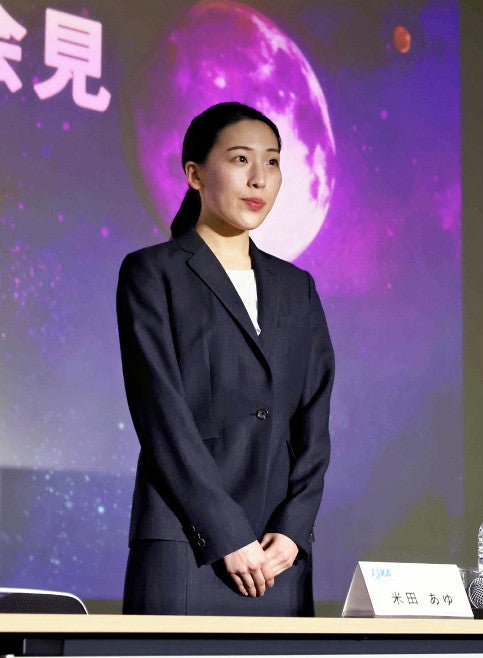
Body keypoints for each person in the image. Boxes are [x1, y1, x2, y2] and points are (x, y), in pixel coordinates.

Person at [116, 102, 335, 615]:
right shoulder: (152, 273)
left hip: (278, 557)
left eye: (273, 161)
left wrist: (294, 530)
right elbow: (162, 416)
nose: (260, 178)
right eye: (240, 159)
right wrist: (225, 532)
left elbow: (314, 420)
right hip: (186, 545)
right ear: (194, 174)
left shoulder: (297, 288)